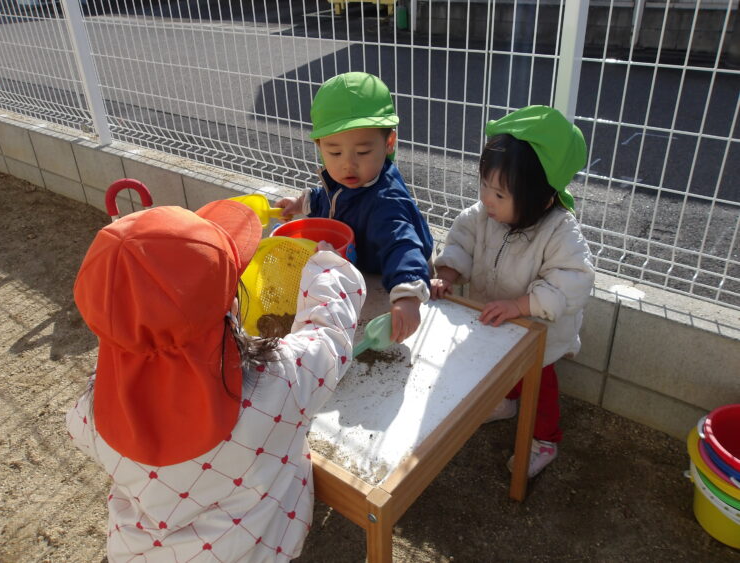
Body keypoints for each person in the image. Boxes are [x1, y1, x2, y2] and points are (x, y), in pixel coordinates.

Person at [65, 199, 365, 561]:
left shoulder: (90, 414)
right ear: (234, 306)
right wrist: (328, 269)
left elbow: (81, 431)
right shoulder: (278, 383)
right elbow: (330, 337)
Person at [430, 105, 595, 478]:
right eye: (485, 185)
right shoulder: (483, 215)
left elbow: (573, 281)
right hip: (495, 318)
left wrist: (522, 305)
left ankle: (545, 439)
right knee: (495, 368)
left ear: (543, 199)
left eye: (500, 194)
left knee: (538, 386)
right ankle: (504, 403)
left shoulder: (559, 231)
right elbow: (462, 241)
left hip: (539, 334)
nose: (487, 199)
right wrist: (447, 274)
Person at [276, 71, 434, 344]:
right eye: (335, 152)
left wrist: (408, 297)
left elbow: (402, 245)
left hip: (396, 274)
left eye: (362, 152)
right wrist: (300, 203)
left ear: (388, 143)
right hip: (365, 264)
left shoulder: (386, 201)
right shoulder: (344, 181)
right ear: (319, 146)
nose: (348, 164)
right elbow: (329, 199)